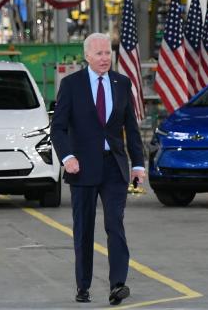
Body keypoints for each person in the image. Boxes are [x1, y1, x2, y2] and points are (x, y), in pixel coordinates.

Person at [51, 32, 145, 306]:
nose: (105, 59)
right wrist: (67, 156)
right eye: (99, 54)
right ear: (87, 57)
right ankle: (83, 285)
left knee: (114, 224)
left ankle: (118, 284)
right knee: (84, 230)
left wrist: (138, 164)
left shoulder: (122, 83)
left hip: (114, 167)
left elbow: (131, 127)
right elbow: (58, 127)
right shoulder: (71, 85)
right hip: (81, 168)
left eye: (108, 53)